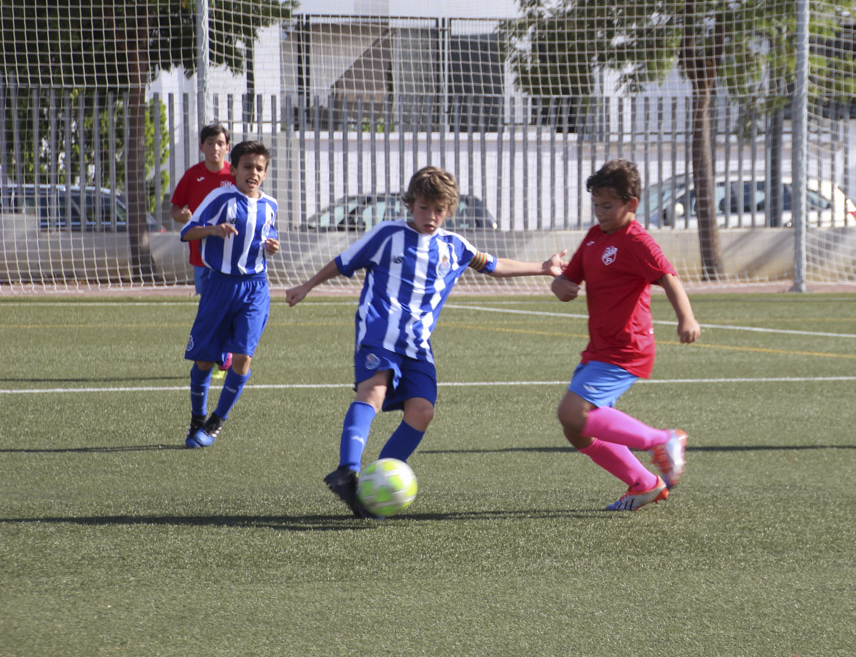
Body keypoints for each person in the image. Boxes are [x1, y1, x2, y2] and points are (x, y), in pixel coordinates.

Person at [285, 166, 566, 518]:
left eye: (438, 210)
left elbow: (493, 265)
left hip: (418, 344)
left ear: (448, 209)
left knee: (422, 411)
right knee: (373, 393)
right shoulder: (387, 235)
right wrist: (306, 286)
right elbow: (342, 263)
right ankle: (347, 471)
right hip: (380, 332)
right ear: (410, 205)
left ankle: (375, 485)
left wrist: (542, 267)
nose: (430, 216)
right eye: (423, 208)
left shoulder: (455, 246)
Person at [551, 159, 701, 511]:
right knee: (578, 430)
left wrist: (686, 318)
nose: (600, 212)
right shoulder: (593, 238)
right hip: (599, 348)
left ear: (631, 204)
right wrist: (560, 284)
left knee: (571, 413)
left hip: (627, 347)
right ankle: (644, 483)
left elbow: (669, 277)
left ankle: (663, 440)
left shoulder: (637, 240)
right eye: (596, 205)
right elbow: (568, 281)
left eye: (608, 205)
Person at [182, 140, 280, 448]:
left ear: (265, 173)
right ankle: (198, 417)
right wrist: (213, 230)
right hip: (220, 286)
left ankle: (216, 421)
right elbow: (187, 232)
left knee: (242, 358)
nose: (253, 173)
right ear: (234, 169)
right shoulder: (220, 197)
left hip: (256, 287)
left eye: (259, 168)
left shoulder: (270, 205)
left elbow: (268, 237)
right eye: (247, 167)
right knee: (203, 362)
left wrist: (272, 246)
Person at [171, 123, 235, 380]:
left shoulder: (235, 176)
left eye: (220, 143)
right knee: (209, 306)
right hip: (201, 257)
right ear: (201, 147)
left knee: (227, 305)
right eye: (210, 143)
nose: (215, 148)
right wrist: (182, 216)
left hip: (229, 258)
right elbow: (175, 209)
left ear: (227, 148)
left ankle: (224, 354)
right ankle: (212, 354)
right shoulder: (192, 175)